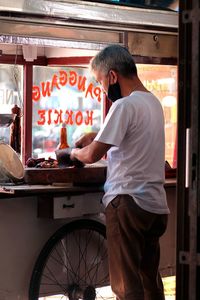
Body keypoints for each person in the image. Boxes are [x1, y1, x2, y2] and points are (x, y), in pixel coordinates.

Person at [70, 44, 170, 300]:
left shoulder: (124, 105)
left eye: (100, 81)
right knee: (150, 284)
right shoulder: (152, 103)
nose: (103, 89)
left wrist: (72, 154)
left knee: (127, 288)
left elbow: (91, 155)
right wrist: (98, 136)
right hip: (154, 207)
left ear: (113, 76)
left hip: (128, 204)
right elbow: (132, 139)